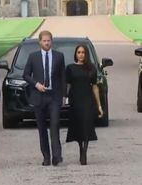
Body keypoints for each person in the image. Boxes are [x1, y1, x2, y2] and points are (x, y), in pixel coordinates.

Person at [23, 30, 66, 166]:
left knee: (54, 125)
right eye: (44, 41)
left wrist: (64, 95)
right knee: (42, 128)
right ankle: (46, 156)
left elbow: (63, 77)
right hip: (39, 96)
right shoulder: (33, 57)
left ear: (51, 41)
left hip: (54, 96)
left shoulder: (59, 56)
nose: (47, 43)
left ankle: (56, 156)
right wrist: (36, 84)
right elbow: (26, 75)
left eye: (49, 41)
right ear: (40, 42)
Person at [65, 44, 103, 165]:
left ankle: (85, 151)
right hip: (75, 100)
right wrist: (65, 98)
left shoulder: (91, 68)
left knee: (87, 124)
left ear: (86, 54)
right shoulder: (70, 68)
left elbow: (95, 87)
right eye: (79, 52)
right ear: (76, 54)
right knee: (78, 125)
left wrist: (99, 106)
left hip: (88, 100)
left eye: (83, 52)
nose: (81, 55)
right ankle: (80, 147)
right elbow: (67, 85)